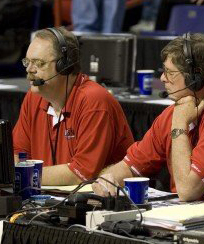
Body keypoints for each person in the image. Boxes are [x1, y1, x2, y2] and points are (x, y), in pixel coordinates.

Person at [93, 33, 204, 201]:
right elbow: (130, 165)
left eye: (170, 72)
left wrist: (179, 125)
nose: (162, 78)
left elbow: (188, 190)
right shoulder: (175, 111)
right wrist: (107, 179)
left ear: (196, 78)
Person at [13, 27, 134, 185]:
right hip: (51, 197)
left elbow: (81, 173)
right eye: (27, 62)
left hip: (99, 203)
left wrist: (22, 174)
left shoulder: (94, 101)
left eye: (39, 63)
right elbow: (17, 154)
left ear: (65, 66)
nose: (29, 70)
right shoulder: (33, 97)